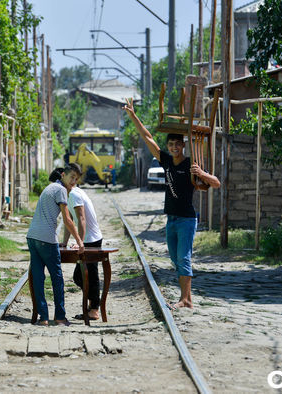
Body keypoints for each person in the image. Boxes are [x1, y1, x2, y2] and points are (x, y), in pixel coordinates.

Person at [123, 98, 221, 309]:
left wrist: (201, 173)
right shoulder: (165, 160)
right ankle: (186, 297)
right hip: (171, 219)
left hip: (186, 219)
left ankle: (186, 300)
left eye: (177, 144)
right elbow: (147, 136)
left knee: (183, 258)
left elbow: (216, 183)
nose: (174, 147)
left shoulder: (190, 164)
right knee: (176, 260)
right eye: (170, 144)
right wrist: (133, 116)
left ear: (183, 146)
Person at [26, 163, 85, 326]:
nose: (74, 182)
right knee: (57, 279)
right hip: (46, 239)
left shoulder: (50, 187)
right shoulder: (60, 190)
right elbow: (67, 219)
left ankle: (43, 317)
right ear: (63, 175)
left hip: (32, 237)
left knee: (38, 278)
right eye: (72, 177)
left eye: (76, 179)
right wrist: (80, 242)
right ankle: (59, 317)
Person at [62, 184, 103, 321]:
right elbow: (70, 221)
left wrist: (81, 242)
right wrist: (64, 242)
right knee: (83, 276)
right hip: (89, 239)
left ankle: (94, 309)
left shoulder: (74, 195)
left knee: (86, 275)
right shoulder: (70, 194)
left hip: (91, 239)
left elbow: (81, 219)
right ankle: (93, 307)